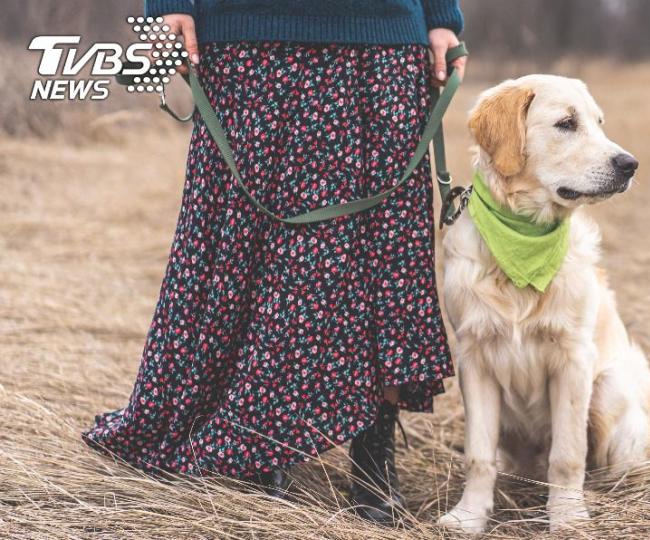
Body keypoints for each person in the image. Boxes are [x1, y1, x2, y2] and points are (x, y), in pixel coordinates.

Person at [82, 0, 466, 525]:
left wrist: (442, 15)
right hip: (249, 40)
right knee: (248, 252)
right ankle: (258, 442)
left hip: (386, 43)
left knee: (385, 255)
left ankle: (374, 458)